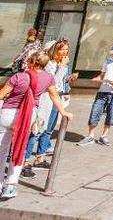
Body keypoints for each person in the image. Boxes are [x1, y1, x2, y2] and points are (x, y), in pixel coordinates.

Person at [0, 52, 73, 199]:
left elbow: (2, 94)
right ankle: (11, 185)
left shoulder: (18, 76)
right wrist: (64, 112)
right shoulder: (48, 78)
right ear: (45, 64)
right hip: (28, 116)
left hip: (8, 114)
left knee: (2, 150)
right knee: (19, 148)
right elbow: (54, 96)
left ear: (30, 62)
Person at [23, 39, 76, 176]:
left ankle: (40, 157)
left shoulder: (61, 64)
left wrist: (68, 76)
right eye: (62, 49)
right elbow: (50, 82)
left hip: (57, 99)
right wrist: (63, 68)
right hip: (46, 99)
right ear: (55, 50)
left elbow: (59, 82)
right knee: (37, 130)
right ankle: (25, 162)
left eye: (66, 49)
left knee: (48, 130)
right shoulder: (50, 64)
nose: (65, 52)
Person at [77, 43, 113, 146]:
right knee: (95, 111)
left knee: (111, 113)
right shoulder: (108, 60)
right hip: (103, 90)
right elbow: (102, 75)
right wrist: (96, 79)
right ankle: (90, 135)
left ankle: (104, 136)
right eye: (112, 53)